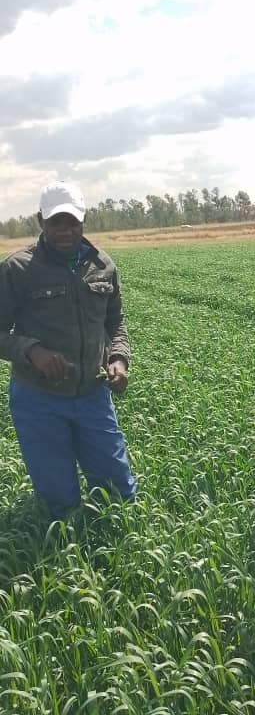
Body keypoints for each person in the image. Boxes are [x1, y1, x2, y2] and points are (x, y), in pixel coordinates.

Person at [0, 180, 136, 519]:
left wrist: (119, 358)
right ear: (40, 221)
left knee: (118, 495)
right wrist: (33, 351)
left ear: (83, 219)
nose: (65, 230)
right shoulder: (18, 269)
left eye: (72, 221)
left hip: (93, 395)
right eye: (56, 222)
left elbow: (115, 323)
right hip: (39, 399)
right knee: (60, 504)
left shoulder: (102, 265)